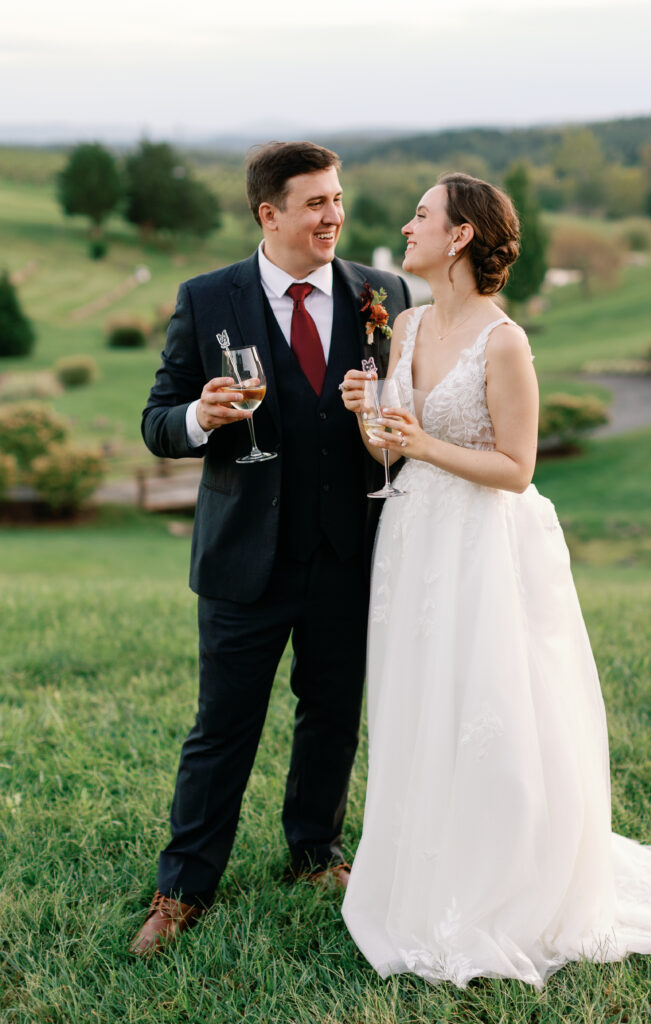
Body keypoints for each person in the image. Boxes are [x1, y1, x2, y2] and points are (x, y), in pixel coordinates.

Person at [339, 173, 651, 988]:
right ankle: (419, 872)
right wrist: (365, 413)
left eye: (422, 215)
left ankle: (503, 885)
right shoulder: (402, 324)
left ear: (460, 236)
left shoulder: (502, 340)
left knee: (488, 705)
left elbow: (515, 468)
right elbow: (388, 451)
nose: (407, 226)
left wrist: (422, 445)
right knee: (416, 700)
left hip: (482, 545)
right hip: (412, 537)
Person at [131, 141, 411, 956]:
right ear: (269, 213)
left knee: (330, 715)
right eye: (316, 203)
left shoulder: (380, 292)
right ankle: (182, 889)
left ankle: (314, 853)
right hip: (243, 559)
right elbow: (157, 421)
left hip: (346, 551)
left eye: (337, 199)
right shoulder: (206, 297)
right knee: (223, 727)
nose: (334, 216)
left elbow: (390, 409)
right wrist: (200, 419)